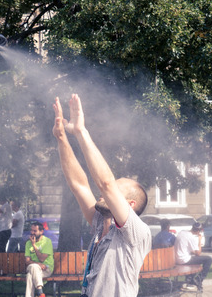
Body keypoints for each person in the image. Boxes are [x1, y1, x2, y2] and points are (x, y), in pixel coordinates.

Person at [52, 94, 151, 296]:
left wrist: (80, 131)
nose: (105, 191)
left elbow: (105, 183)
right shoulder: (100, 222)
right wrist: (61, 137)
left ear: (130, 204)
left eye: (117, 189)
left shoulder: (136, 232)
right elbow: (79, 185)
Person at [175, 222, 212, 290]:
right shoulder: (191, 237)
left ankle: (190, 279)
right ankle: (199, 279)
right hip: (183, 260)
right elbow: (198, 253)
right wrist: (199, 239)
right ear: (198, 231)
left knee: (196, 259)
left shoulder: (182, 232)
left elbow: (187, 248)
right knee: (208, 259)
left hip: (177, 259)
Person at [24, 221, 54, 297]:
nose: (32, 233)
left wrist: (34, 245)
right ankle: (40, 292)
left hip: (46, 269)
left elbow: (41, 259)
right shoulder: (28, 243)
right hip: (34, 268)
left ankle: (39, 293)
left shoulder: (47, 241)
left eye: (35, 231)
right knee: (33, 267)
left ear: (41, 232)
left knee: (29, 276)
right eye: (31, 230)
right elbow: (27, 261)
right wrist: (38, 264)